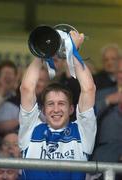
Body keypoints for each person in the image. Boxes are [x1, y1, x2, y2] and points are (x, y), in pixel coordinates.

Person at [18, 30, 96, 180]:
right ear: (44, 109)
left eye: (61, 104)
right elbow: (27, 89)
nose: (56, 109)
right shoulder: (31, 129)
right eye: (50, 104)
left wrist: (72, 51)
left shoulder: (83, 132)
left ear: (71, 109)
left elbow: (89, 89)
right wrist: (42, 50)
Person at [91, 56, 122, 163]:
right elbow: (87, 117)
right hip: (106, 154)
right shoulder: (102, 94)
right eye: (120, 72)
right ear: (115, 74)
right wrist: (107, 101)